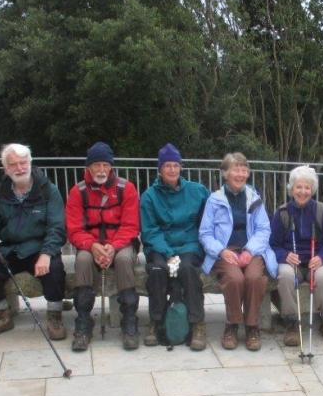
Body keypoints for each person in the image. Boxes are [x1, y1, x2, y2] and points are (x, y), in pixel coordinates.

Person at [0, 143, 67, 340]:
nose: (19, 168)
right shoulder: (0, 192)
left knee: (55, 269)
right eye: (13, 164)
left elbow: (57, 227)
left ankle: (54, 316)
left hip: (40, 248)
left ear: (30, 163)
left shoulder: (48, 190)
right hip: (10, 250)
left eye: (23, 163)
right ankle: (2, 315)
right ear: (6, 169)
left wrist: (47, 253)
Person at [66, 142, 141, 351]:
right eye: (96, 165)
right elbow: (73, 228)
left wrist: (113, 247)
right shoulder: (78, 191)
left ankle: (129, 320)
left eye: (105, 165)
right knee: (82, 260)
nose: (101, 170)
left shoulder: (126, 188)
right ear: (88, 167)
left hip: (120, 242)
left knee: (124, 259)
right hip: (90, 244)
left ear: (111, 167)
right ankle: (83, 321)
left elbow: (131, 225)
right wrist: (92, 246)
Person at [199, 152, 277, 351]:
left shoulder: (254, 198)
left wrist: (250, 251)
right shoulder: (214, 200)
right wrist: (222, 251)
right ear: (225, 173)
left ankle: (252, 326)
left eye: (244, 170)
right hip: (225, 250)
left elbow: (264, 229)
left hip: (251, 249)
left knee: (254, 278)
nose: (241, 174)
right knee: (235, 279)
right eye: (236, 169)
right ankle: (232, 325)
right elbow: (205, 233)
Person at [139, 143, 209, 350]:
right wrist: (168, 254)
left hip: (189, 244)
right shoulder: (149, 196)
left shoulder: (198, 191)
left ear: (181, 167)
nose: (172, 169)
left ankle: (197, 323)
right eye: (167, 165)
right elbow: (149, 230)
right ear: (159, 169)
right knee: (157, 270)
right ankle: (156, 321)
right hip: (160, 246)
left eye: (175, 165)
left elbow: (208, 220)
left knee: (188, 270)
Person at [270, 166, 323, 347]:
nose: (303, 191)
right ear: (291, 189)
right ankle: (291, 322)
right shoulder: (282, 213)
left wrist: (322, 258)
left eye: (307, 187)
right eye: (298, 187)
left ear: (312, 189)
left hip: (316, 260)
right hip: (292, 261)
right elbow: (273, 245)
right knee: (285, 275)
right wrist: (285, 255)